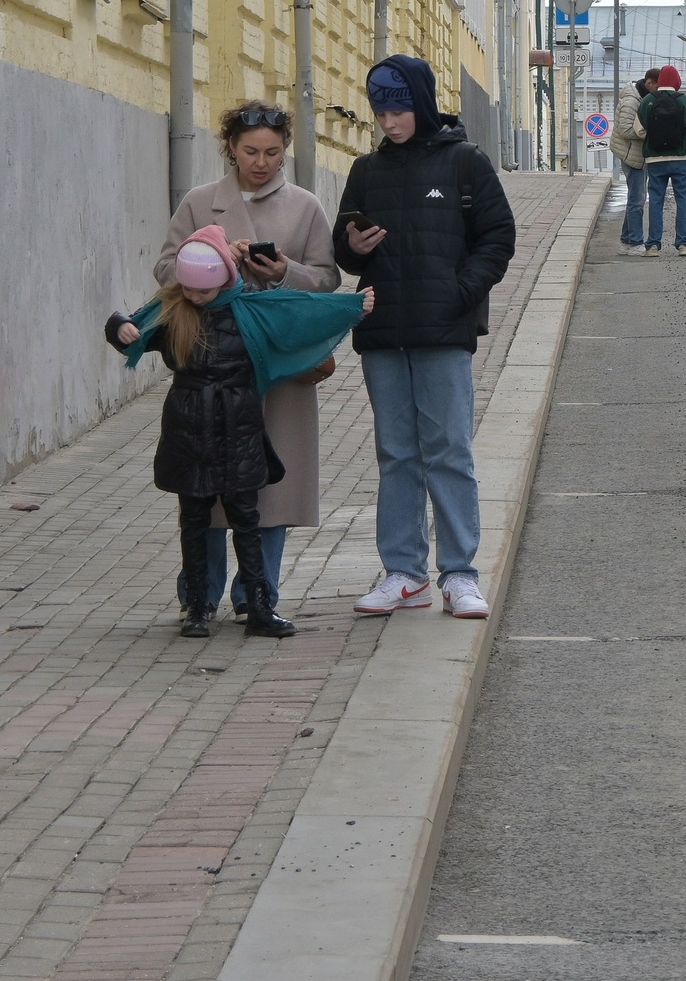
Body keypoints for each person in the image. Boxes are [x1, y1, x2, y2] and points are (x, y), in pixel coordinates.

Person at [106, 226, 370, 638]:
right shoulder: (175, 310)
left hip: (240, 430)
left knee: (247, 520)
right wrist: (119, 326)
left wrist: (352, 307)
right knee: (194, 522)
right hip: (188, 432)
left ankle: (259, 607)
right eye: (189, 289)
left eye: (204, 291)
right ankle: (196, 607)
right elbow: (132, 329)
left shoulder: (251, 309)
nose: (195, 297)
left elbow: (301, 311)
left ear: (226, 279)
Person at [335, 54, 517, 619]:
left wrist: (459, 291)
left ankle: (460, 574)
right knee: (397, 455)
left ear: (422, 101)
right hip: (384, 332)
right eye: (381, 110)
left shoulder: (465, 163)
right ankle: (404, 572)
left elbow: (498, 236)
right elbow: (342, 247)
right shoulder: (366, 170)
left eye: (400, 108)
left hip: (442, 333)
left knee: (449, 452)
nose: (390, 121)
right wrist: (353, 249)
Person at [155, 101, 340, 618]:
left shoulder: (304, 206)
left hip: (276, 365)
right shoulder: (200, 202)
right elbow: (165, 266)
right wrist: (212, 264)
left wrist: (283, 271)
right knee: (207, 483)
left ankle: (258, 595)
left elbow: (327, 280)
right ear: (230, 148)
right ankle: (201, 591)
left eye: (274, 153)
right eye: (250, 151)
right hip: (211, 362)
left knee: (273, 484)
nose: (262, 162)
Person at [637, 63, 686, 257]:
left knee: (656, 200)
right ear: (676, 81)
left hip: (655, 159)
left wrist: (655, 136)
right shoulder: (684, 101)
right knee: (683, 200)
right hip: (680, 158)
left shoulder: (648, 100)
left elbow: (638, 130)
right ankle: (684, 245)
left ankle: (653, 245)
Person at [609, 69, 656, 255]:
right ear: (649, 83)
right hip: (631, 154)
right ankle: (635, 242)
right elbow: (626, 131)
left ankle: (626, 240)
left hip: (636, 154)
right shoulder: (631, 101)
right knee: (637, 199)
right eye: (657, 86)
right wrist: (650, 132)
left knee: (636, 197)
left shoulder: (640, 98)